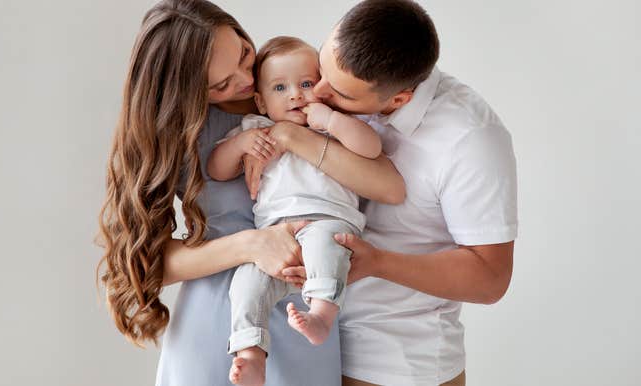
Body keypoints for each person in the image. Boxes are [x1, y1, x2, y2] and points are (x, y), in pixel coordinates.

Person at [96, 1, 405, 385]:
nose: (244, 79)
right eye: (220, 84)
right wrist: (251, 245)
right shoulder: (178, 132)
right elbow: (146, 263)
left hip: (307, 317)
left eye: (244, 53)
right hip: (220, 324)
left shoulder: (306, 89)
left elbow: (390, 188)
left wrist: (288, 135)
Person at [245, 1, 518, 385]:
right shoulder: (334, 86)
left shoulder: (470, 139)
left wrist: (377, 262)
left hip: (396, 363)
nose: (316, 93)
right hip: (308, 353)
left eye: (338, 92)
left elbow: (491, 278)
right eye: (322, 69)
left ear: (398, 99)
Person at [207, 36, 393, 386]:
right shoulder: (253, 130)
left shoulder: (331, 125)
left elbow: (372, 147)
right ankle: (250, 353)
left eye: (306, 84)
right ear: (260, 101)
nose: (295, 94)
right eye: (280, 87)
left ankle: (322, 314)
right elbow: (216, 168)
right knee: (246, 283)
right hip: (273, 237)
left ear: (321, 87)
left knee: (327, 245)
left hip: (328, 220)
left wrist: (331, 120)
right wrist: (240, 145)